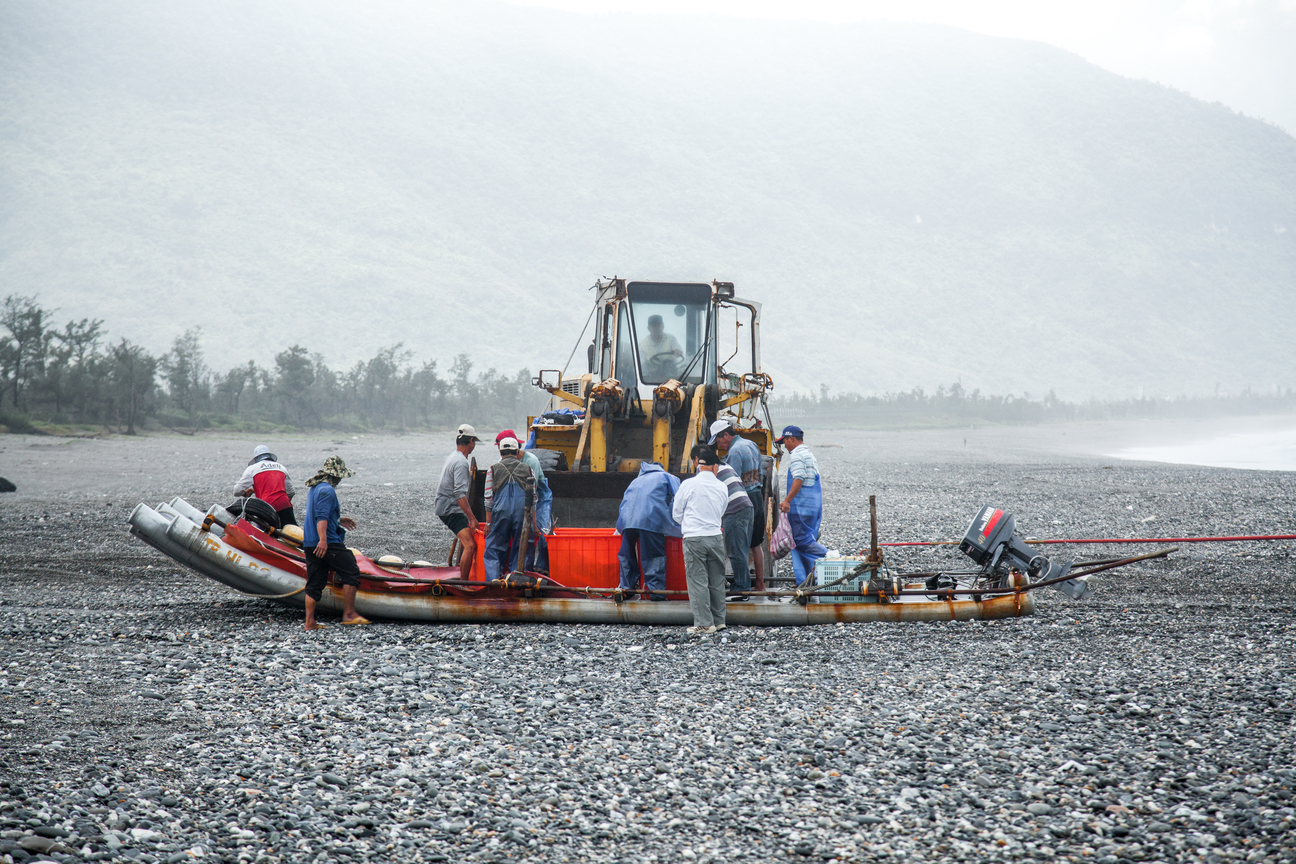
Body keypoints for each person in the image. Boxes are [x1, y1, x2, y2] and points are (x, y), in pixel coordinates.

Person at [301, 456, 369, 630]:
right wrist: (323, 541)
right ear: (335, 476)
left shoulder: (315, 489)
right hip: (327, 542)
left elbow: (320, 515)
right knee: (351, 569)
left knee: (315, 582)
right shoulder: (327, 491)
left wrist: (338, 519)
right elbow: (321, 517)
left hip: (309, 542)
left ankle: (310, 622)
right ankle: (349, 614)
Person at [672, 445, 731, 634]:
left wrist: (689, 524)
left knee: (698, 581)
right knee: (716, 580)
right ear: (714, 467)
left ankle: (705, 624)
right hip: (715, 537)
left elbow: (676, 513)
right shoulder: (722, 486)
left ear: (699, 465)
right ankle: (719, 620)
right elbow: (722, 512)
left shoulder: (688, 485)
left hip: (694, 538)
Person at [708, 420, 768, 595]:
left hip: (742, 497)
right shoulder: (751, 444)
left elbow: (732, 481)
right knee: (756, 544)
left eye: (719, 440)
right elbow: (761, 473)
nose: (720, 445)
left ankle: (741, 586)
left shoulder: (734, 452)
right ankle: (760, 585)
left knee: (739, 545)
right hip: (756, 495)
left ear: (726, 435)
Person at [615, 461, 681, 600]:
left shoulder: (635, 481)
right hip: (650, 520)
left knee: (627, 556)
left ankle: (626, 589)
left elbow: (624, 503)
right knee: (653, 557)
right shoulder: (667, 477)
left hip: (627, 521)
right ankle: (656, 595)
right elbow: (680, 499)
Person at [777, 425, 828, 587]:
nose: (784, 445)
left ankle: (832, 558)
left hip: (802, 507)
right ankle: (807, 580)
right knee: (800, 542)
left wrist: (787, 501)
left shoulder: (797, 455)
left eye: (785, 441)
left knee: (801, 541)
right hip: (813, 506)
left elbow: (798, 478)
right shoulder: (809, 454)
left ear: (791, 438)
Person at [497, 429, 551, 575]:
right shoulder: (500, 463)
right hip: (518, 501)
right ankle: (521, 570)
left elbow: (532, 493)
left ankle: (542, 568)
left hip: (539, 499)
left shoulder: (530, 461)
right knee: (522, 537)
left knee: (543, 535)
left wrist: (532, 521)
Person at [483, 437, 535, 580]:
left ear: (500, 452)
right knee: (522, 546)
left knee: (494, 548)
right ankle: (517, 582)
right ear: (517, 451)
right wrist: (534, 526)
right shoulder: (528, 470)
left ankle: (494, 582)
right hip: (522, 514)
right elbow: (534, 500)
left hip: (500, 513)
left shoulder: (492, 469)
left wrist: (488, 523)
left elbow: (488, 498)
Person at [435, 424, 481, 580]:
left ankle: (463, 576)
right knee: (470, 545)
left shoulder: (453, 456)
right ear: (471, 442)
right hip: (450, 509)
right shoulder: (461, 462)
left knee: (466, 541)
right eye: (474, 442)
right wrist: (473, 519)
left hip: (446, 505)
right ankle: (464, 582)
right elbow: (460, 495)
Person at [233, 445, 297, 527]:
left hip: (265, 507)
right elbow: (291, 492)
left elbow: (236, 491)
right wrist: (283, 503)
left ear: (256, 458)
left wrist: (244, 493)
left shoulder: (252, 469)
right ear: (269, 456)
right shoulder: (281, 467)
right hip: (284, 504)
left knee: (263, 534)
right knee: (291, 533)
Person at [638, 314, 683, 381]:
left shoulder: (670, 338)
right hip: (651, 380)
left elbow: (677, 347)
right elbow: (642, 365)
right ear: (649, 329)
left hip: (671, 377)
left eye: (659, 325)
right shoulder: (643, 344)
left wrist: (677, 350)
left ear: (663, 327)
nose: (657, 328)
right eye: (654, 326)